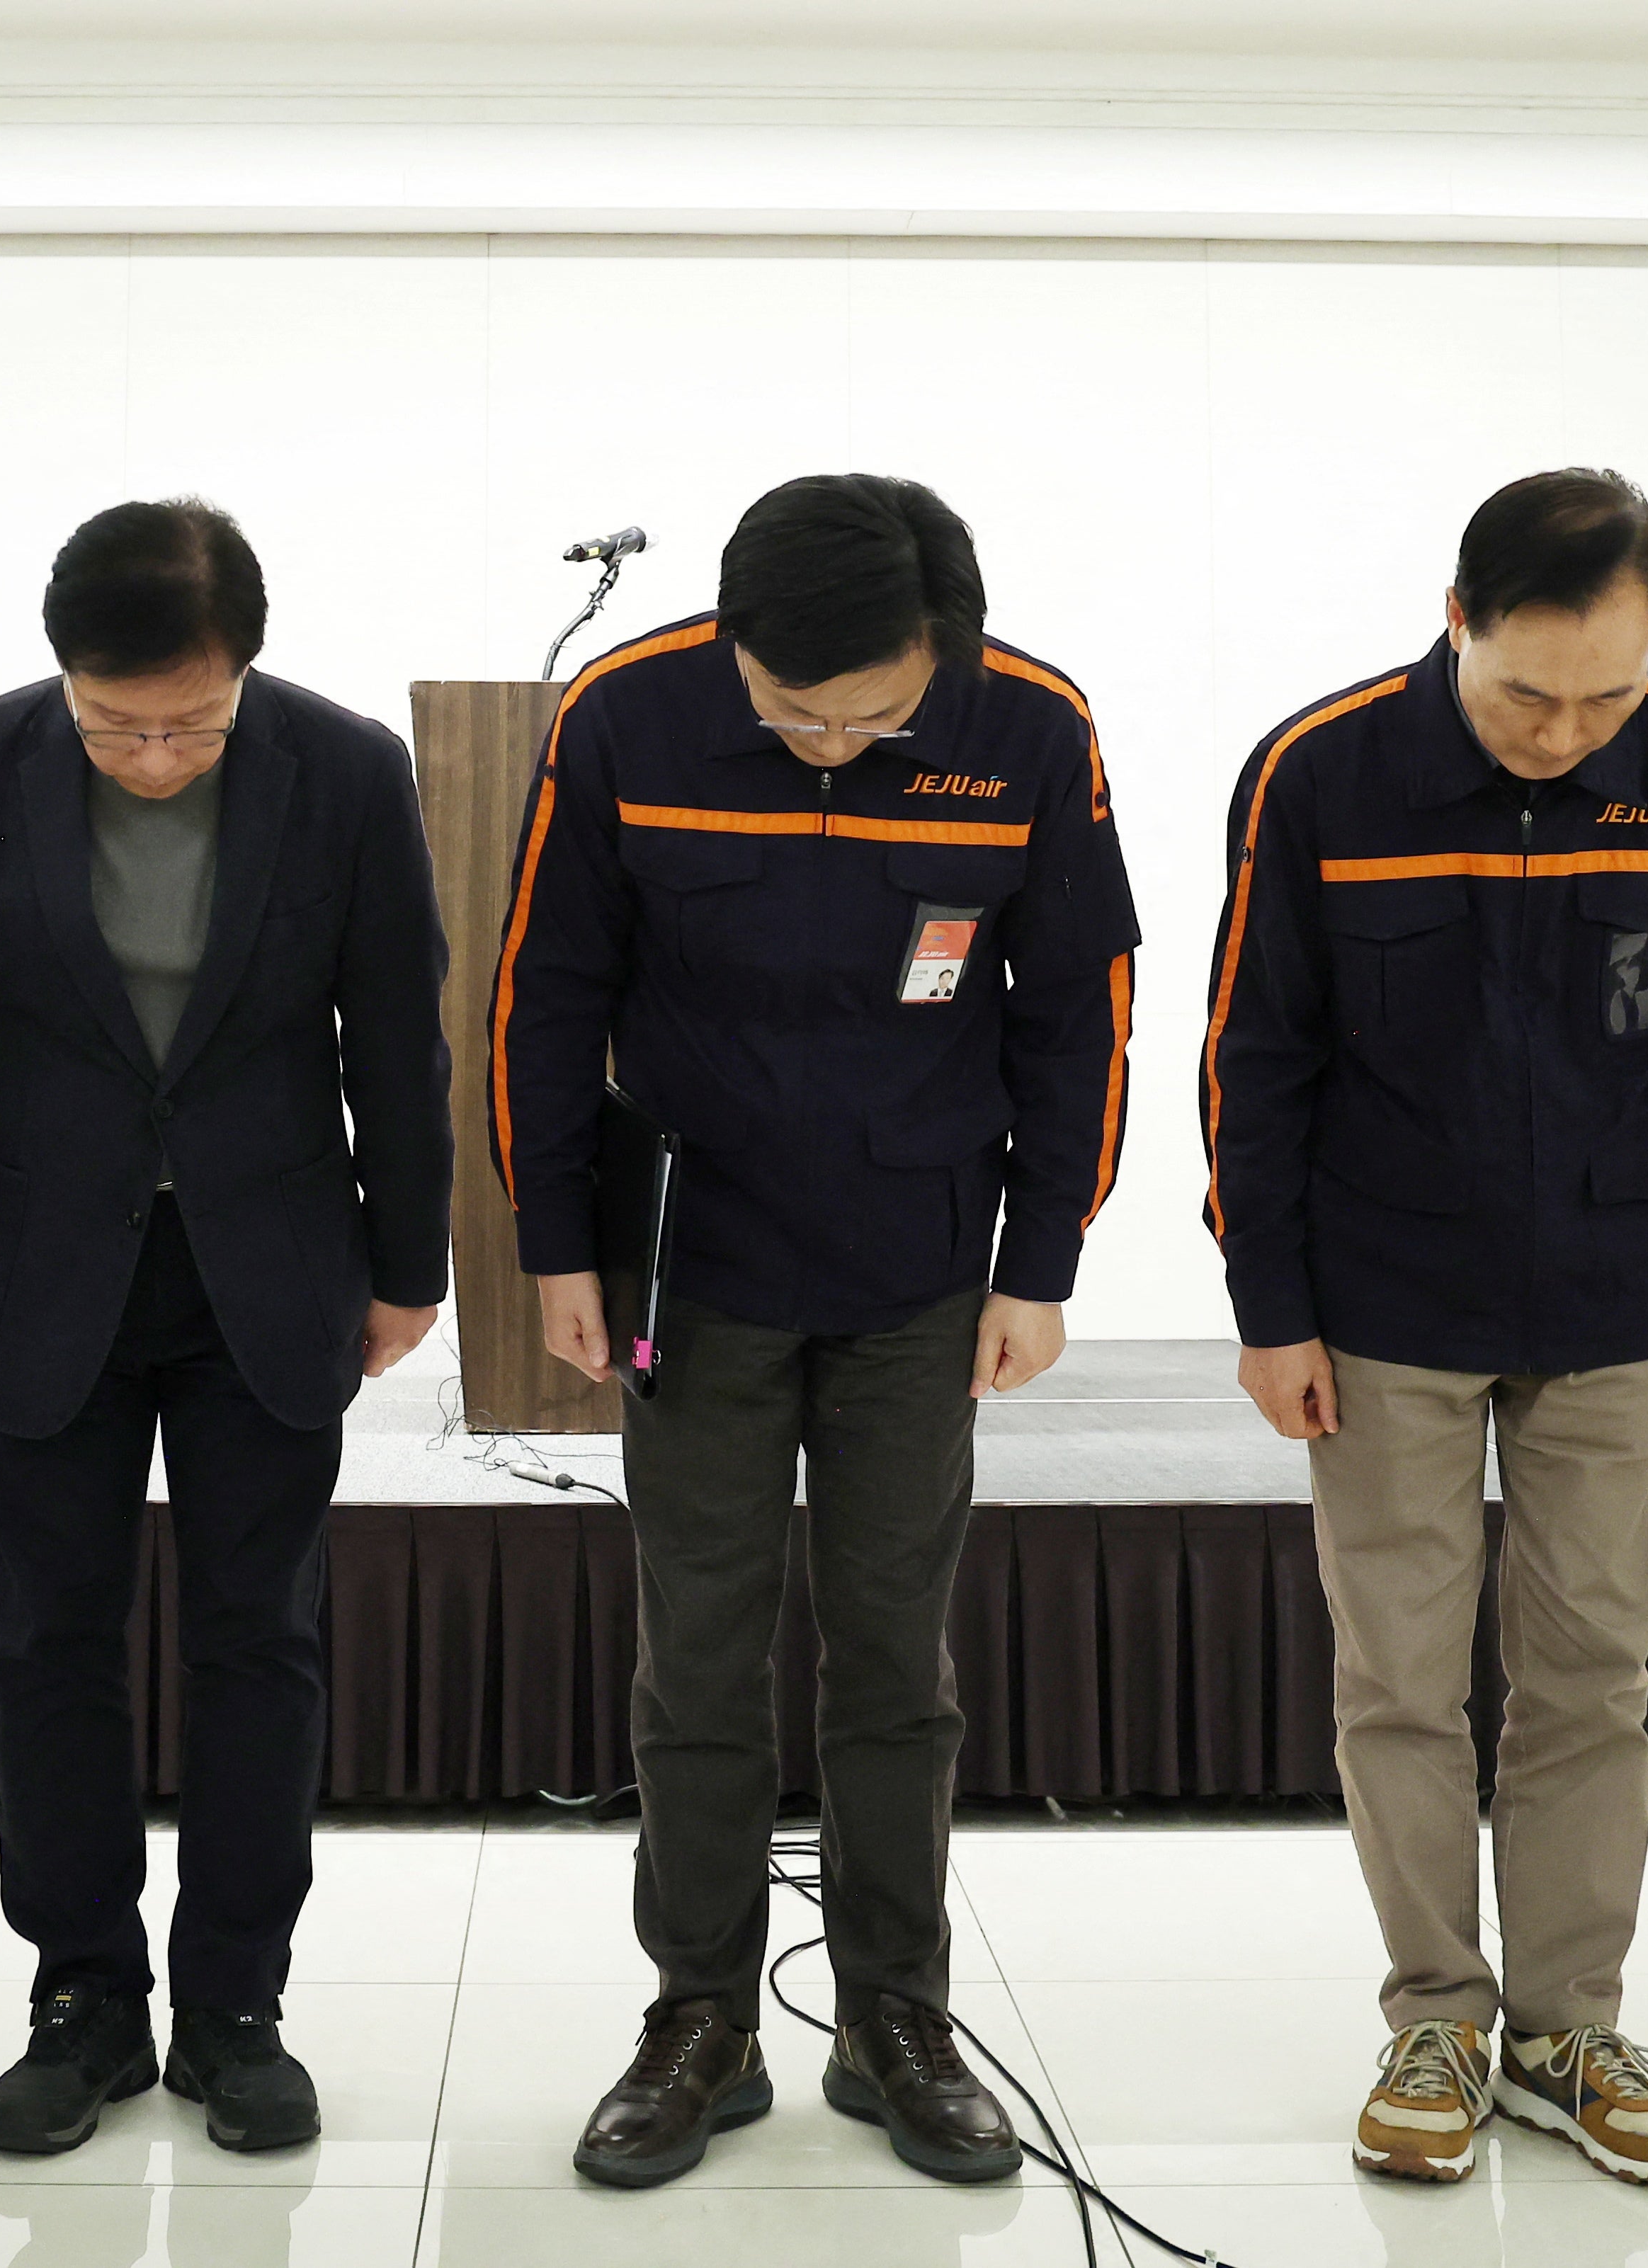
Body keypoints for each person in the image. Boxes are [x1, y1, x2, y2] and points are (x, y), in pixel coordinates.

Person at [491, 473, 1137, 2189]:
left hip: (919, 1266)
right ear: (735, 647)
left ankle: (893, 2015)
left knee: (894, 1661)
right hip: (690, 1263)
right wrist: (555, 1239)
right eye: (790, 713)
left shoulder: (1032, 731)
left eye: (869, 718)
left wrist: (1042, 1257)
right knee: (694, 1653)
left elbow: (1076, 1007)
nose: (830, 744)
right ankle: (699, 2015)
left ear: (946, 653)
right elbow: (541, 987)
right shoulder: (627, 714)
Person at [1201, 468, 1648, 2187]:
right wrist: (1271, 1307)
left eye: (1607, 693)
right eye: (1532, 691)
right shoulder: (1324, 772)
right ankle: (1437, 2018)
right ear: (1455, 620)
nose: (1568, 732)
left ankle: (1570, 2027)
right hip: (1381, 1308)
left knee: (1594, 1673)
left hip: (1614, 1297)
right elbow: (1259, 1057)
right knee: (1398, 1674)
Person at [0, 498, 450, 2157]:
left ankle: (237, 2003)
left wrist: (410, 1264)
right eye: (116, 722)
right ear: (62, 676)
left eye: (190, 721)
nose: (152, 753)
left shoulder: (339, 771)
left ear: (243, 671)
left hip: (267, 1264)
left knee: (258, 1632)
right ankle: (82, 1999)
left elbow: (394, 1031)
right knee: (49, 1634)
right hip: (43, 1264)